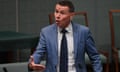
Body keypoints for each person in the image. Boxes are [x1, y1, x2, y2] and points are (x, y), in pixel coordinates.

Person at [28, 0, 103, 72]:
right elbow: (39, 53)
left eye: (62, 13)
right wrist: (32, 64)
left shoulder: (83, 32)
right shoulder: (46, 32)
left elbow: (95, 57)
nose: (57, 16)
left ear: (71, 15)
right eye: (56, 12)